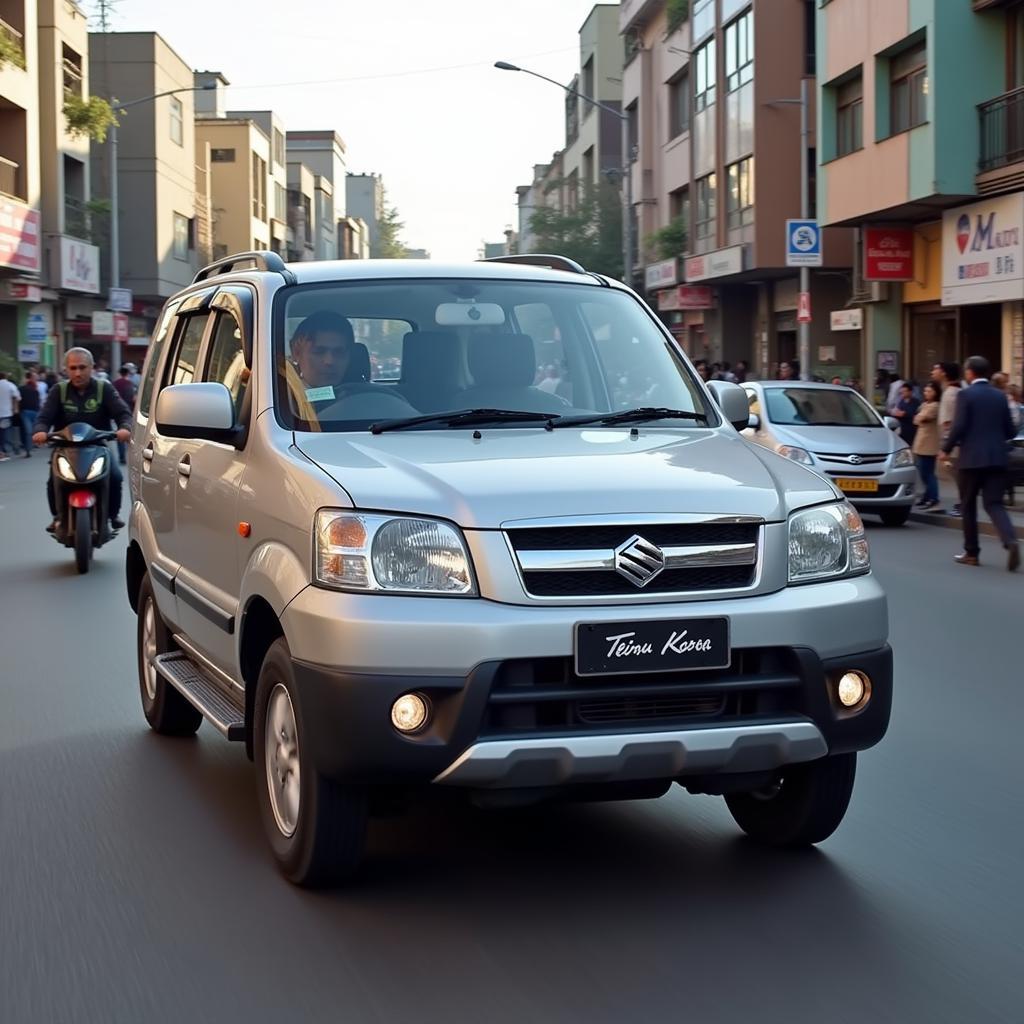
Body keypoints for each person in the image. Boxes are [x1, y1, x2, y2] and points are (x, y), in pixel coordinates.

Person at [32, 347, 132, 532]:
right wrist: (40, 431)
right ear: (66, 370)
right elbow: (44, 417)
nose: (77, 372)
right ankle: (57, 517)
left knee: (116, 477)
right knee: (52, 481)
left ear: (92, 367)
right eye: (73, 368)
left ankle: (112, 516)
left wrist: (125, 428)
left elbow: (123, 413)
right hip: (65, 448)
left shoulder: (104, 388)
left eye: (82, 367)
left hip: (98, 446)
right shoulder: (58, 391)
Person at [941, 355, 1019, 571]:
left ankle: (972, 553)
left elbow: (959, 427)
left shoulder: (966, 395)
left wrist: (945, 449)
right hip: (997, 458)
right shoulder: (1000, 396)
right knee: (994, 503)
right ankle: (1010, 540)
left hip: (971, 459)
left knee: (968, 506)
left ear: (970, 373)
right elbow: (1011, 430)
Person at [289, 311, 357, 412]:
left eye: (339, 353)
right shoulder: (283, 403)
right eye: (318, 352)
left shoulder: (367, 401)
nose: (329, 361)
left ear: (350, 357)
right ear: (296, 353)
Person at [933, 362, 963, 516]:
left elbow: (947, 423)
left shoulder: (949, 394)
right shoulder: (957, 391)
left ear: (944, 373)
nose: (933, 372)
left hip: (953, 443)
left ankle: (962, 503)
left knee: (957, 474)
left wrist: (945, 447)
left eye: (936, 369)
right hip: (958, 442)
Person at [912, 380, 941, 509]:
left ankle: (933, 497)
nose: (926, 393)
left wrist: (919, 417)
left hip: (929, 445)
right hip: (921, 443)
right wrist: (919, 417)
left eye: (930, 391)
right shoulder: (925, 404)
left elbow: (920, 418)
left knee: (928, 473)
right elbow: (916, 419)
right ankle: (926, 496)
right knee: (923, 473)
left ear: (936, 392)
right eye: (925, 391)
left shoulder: (935, 406)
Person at [112, 365, 137, 464]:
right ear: (127, 373)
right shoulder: (130, 384)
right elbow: (134, 398)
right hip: (129, 412)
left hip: (117, 412)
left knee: (120, 433)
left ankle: (122, 456)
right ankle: (129, 455)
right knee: (129, 434)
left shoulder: (114, 384)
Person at [18, 371, 41, 458]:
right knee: (29, 431)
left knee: (28, 431)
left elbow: (19, 400)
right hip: (32, 411)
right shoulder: (35, 390)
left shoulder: (22, 389)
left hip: (26, 411)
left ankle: (28, 449)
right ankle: (28, 449)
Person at [892, 381, 920, 447]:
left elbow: (914, 414)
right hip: (902, 429)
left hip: (911, 429)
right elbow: (897, 411)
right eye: (901, 392)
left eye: (905, 391)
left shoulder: (916, 402)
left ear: (910, 392)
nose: (902, 393)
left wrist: (905, 414)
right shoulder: (901, 401)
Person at [0, 371, 20, 461]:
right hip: (6, 413)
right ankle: (5, 452)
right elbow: (17, 397)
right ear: (6, 377)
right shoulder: (10, 385)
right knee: (5, 433)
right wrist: (15, 408)